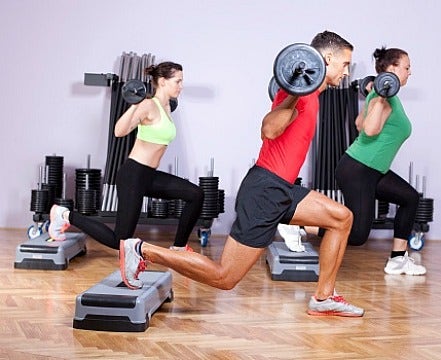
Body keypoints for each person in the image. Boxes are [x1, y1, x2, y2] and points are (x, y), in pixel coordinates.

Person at [119, 31, 365, 317]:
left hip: (283, 188)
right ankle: (142, 250)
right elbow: (269, 130)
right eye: (345, 63)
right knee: (225, 277)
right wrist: (295, 96)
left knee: (341, 218)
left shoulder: (311, 94)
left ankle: (323, 298)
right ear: (326, 59)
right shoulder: (299, 94)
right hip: (265, 190)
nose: (347, 71)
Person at [48, 62, 204, 252]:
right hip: (133, 175)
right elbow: (119, 131)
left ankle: (179, 248)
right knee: (119, 240)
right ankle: (63, 215)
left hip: (149, 176)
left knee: (195, 194)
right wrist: (135, 104)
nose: (181, 86)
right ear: (162, 82)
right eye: (178, 81)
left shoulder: (168, 106)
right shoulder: (147, 105)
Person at [334, 46, 426, 275]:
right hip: (359, 169)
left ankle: (397, 259)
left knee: (409, 198)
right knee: (356, 235)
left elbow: (357, 123)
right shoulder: (384, 95)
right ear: (392, 68)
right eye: (406, 67)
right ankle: (301, 227)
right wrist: (380, 97)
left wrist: (376, 94)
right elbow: (369, 129)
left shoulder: (381, 93)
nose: (409, 72)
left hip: (372, 170)